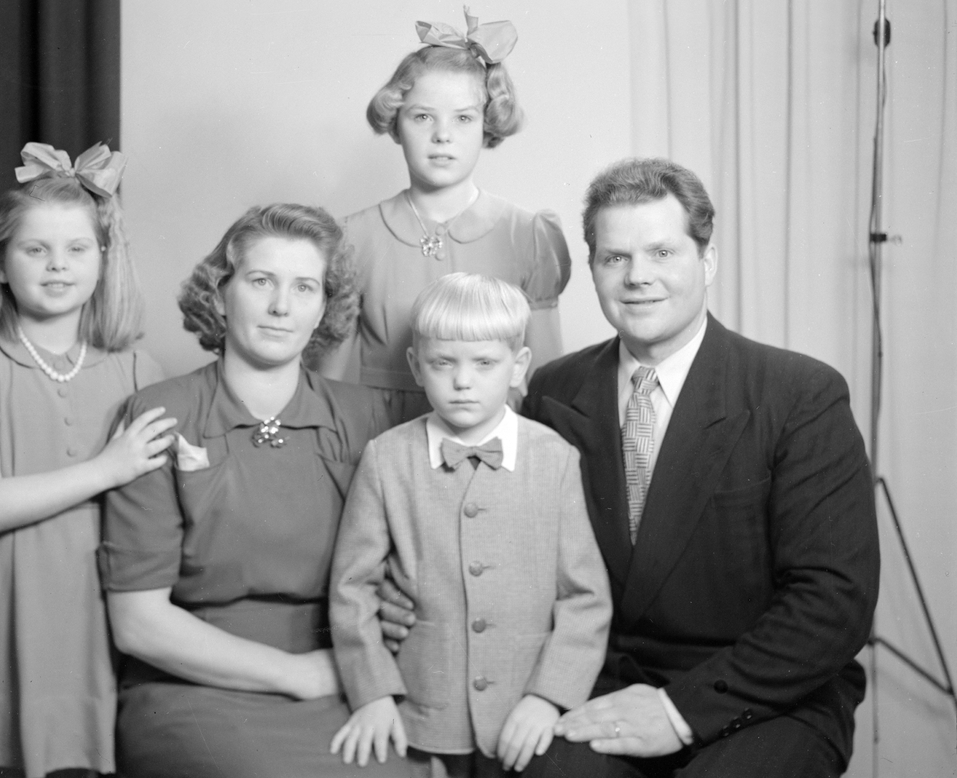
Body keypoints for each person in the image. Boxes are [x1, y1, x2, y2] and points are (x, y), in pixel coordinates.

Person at [385, 158, 880, 777]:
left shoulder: (799, 395)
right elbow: (495, 538)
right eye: (615, 257)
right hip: (599, 684)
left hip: (764, 697)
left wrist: (677, 711)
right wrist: (408, 591)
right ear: (593, 269)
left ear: (708, 261)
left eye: (662, 253)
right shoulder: (553, 392)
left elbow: (834, 602)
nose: (637, 276)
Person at [97, 203, 413, 778]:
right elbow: (137, 622)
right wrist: (296, 675)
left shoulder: (368, 417)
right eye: (262, 281)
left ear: (324, 308)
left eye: (304, 287)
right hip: (194, 684)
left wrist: (372, 645)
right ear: (220, 294)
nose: (281, 306)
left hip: (345, 672)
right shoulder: (160, 414)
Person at [0, 143, 176, 778]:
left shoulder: (139, 368)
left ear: (104, 261)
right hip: (2, 590)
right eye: (35, 250)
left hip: (97, 596)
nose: (58, 265)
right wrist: (108, 468)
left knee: (86, 756)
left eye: (77, 249)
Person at [329, 273, 611, 777]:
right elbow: (353, 589)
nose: (463, 381)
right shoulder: (386, 458)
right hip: (422, 710)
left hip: (525, 713)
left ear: (518, 366)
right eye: (443, 363)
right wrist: (372, 694)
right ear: (416, 366)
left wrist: (549, 697)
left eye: (484, 363)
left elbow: (585, 598)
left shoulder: (556, 458)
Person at [319, 8, 571, 423]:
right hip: (381, 434)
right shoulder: (353, 237)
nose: (442, 135)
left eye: (463, 118)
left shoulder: (527, 234)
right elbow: (327, 387)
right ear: (396, 123)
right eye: (423, 117)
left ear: (486, 125)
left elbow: (545, 384)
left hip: (491, 436)